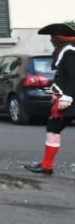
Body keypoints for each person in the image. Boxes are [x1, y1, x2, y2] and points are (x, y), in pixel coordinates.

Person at [25, 21, 75, 176]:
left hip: (70, 99)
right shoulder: (65, 52)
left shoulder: (69, 53)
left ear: (60, 38)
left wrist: (66, 97)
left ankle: (47, 165)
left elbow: (73, 78)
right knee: (53, 127)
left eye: (53, 37)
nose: (51, 40)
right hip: (67, 98)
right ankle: (46, 164)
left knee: (53, 127)